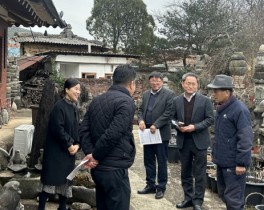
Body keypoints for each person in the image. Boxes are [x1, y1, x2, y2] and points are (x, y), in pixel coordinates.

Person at [79, 64, 136, 210]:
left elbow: (84, 129)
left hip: (98, 169)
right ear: (131, 83)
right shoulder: (126, 101)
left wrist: (89, 153)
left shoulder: (97, 100)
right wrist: (95, 155)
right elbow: (113, 134)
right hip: (114, 168)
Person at [207, 74, 253, 210]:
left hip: (234, 166)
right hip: (222, 162)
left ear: (227, 92)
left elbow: (245, 138)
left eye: (216, 91)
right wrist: (214, 154)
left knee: (234, 200)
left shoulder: (239, 110)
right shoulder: (221, 109)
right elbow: (220, 136)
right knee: (224, 194)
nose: (213, 94)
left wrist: (241, 163)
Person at [173, 73, 214, 210]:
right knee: (185, 171)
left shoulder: (205, 100)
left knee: (200, 172)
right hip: (183, 140)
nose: (190, 86)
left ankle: (197, 201)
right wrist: (177, 125)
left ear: (198, 85)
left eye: (193, 84)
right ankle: (188, 198)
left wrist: (195, 127)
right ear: (182, 84)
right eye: (188, 83)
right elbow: (171, 118)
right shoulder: (176, 100)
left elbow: (210, 119)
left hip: (200, 141)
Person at [38, 78, 81, 210]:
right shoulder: (59, 106)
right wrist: (69, 144)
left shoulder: (74, 107)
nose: (78, 92)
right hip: (56, 153)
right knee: (49, 181)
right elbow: (57, 129)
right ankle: (41, 208)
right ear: (67, 90)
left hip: (69, 152)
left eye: (79, 89)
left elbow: (76, 129)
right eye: (76, 89)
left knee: (66, 181)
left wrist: (77, 144)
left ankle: (62, 207)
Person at [137, 71, 175, 199]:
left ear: (162, 81)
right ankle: (150, 185)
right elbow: (140, 110)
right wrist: (141, 120)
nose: (155, 82)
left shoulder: (169, 94)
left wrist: (156, 124)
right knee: (148, 160)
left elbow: (169, 112)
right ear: (149, 81)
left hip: (160, 133)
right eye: (152, 80)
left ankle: (161, 187)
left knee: (162, 161)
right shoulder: (146, 94)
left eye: (158, 80)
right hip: (147, 132)